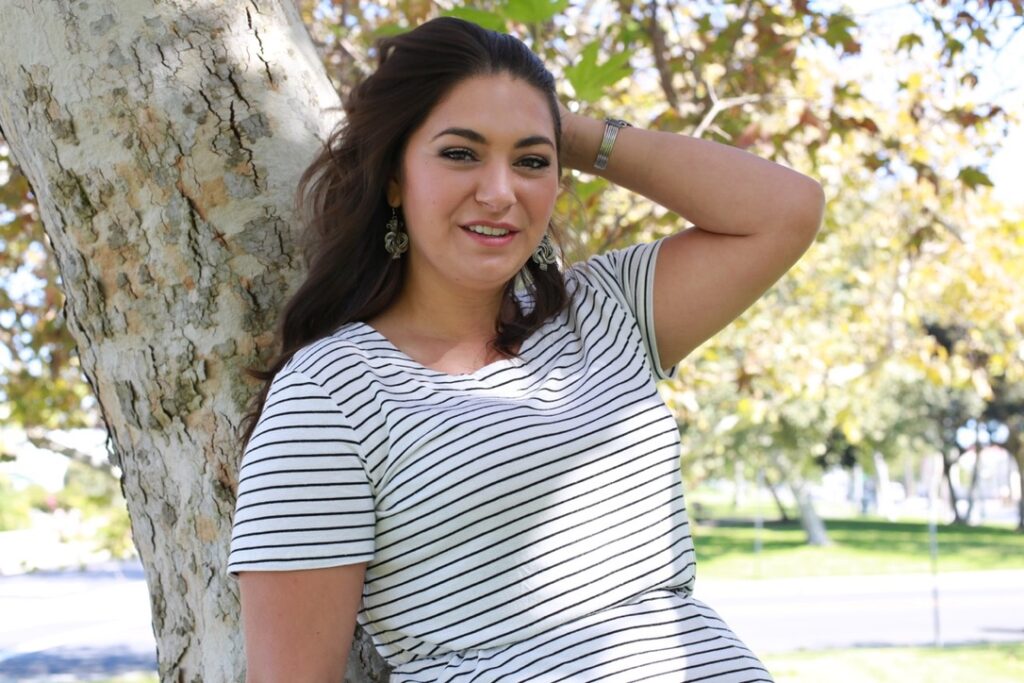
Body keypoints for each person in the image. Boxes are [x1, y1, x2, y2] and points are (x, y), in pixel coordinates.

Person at [228, 16, 823, 683]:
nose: (500, 192)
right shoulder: (330, 392)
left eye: (532, 162)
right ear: (394, 176)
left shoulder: (604, 310)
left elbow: (787, 209)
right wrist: (522, 125)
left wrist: (561, 127)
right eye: (461, 153)